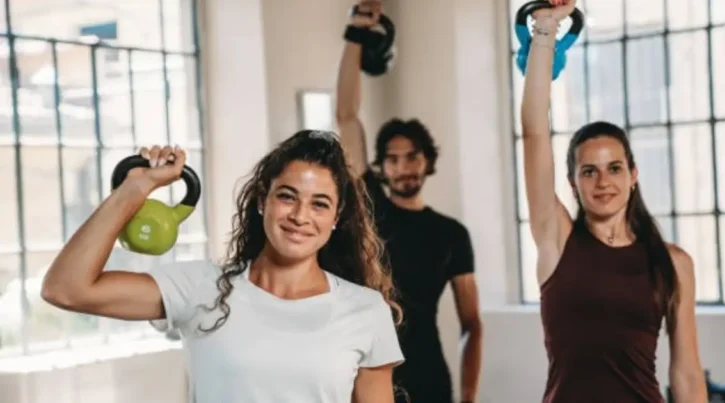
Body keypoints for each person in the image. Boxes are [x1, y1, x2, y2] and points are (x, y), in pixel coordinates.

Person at [40, 130, 405, 403]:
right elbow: (65, 289)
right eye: (287, 196)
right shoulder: (201, 286)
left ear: (337, 217)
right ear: (262, 200)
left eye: (319, 204)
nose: (299, 216)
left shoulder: (365, 310)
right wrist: (134, 190)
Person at [520, 1, 708, 402]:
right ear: (572, 184)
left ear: (633, 175)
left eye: (615, 168)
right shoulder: (556, 241)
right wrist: (546, 30)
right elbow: (534, 130)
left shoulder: (673, 262)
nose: (603, 181)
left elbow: (688, 373)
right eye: (589, 171)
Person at [335, 1, 483, 402]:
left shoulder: (452, 234)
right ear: (381, 167)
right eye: (393, 159)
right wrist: (356, 34)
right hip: (367, 372)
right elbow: (346, 115)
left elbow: (472, 324)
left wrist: (470, 397)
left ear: (427, 161)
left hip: (431, 378)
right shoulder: (370, 206)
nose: (403, 167)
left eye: (412, 156)